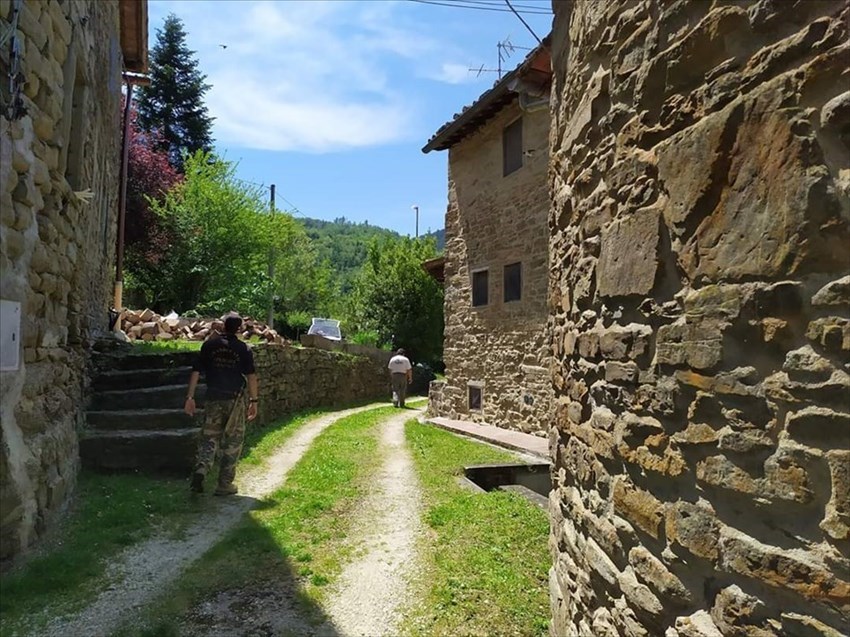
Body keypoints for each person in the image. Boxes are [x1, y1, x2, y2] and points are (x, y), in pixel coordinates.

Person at [184, 312, 258, 495]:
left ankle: (202, 468)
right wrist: (254, 400)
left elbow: (195, 372)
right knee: (233, 441)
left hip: (213, 398)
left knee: (209, 438)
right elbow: (251, 376)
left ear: (223, 326)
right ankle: (224, 484)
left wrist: (190, 398)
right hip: (234, 400)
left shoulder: (209, 345)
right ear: (239, 329)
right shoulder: (243, 349)